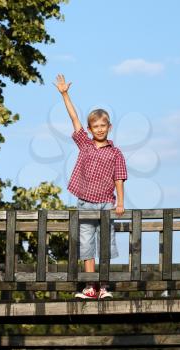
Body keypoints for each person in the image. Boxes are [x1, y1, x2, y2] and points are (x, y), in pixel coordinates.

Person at [54, 74, 127, 299]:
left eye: (103, 125)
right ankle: (90, 286)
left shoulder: (115, 152)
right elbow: (74, 119)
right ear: (90, 128)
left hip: (106, 203)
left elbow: (119, 177)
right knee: (86, 243)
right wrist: (65, 94)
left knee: (105, 242)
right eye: (95, 126)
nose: (99, 129)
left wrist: (121, 202)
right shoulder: (85, 144)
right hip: (85, 201)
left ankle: (103, 286)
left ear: (109, 127)